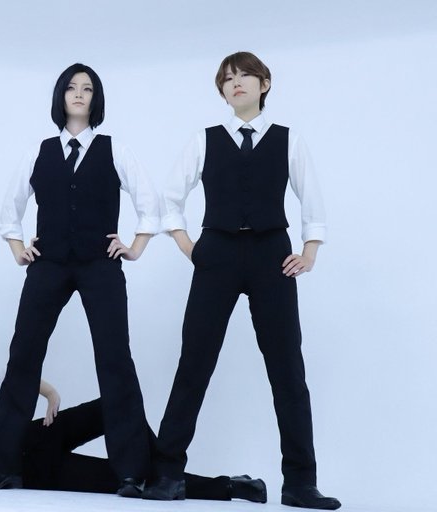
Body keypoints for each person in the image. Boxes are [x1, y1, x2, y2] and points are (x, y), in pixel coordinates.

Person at [142, 52, 340, 510]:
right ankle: (167, 472)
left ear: (264, 83)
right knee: (194, 362)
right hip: (217, 252)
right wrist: (188, 246)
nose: (236, 83)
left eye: (245, 75)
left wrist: (309, 251)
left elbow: (312, 200)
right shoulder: (204, 139)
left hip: (273, 255)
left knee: (287, 368)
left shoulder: (288, 140)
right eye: (227, 79)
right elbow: (170, 198)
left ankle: (300, 483)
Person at [0, 63, 158, 496]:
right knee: (23, 357)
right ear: (60, 96)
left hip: (99, 264)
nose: (78, 94)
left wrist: (135, 246)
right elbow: (10, 210)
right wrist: (18, 248)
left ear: (96, 99)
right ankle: (1, 467)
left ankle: (132, 472)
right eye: (71, 88)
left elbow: (150, 204)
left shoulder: (115, 150)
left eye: (87, 89)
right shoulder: (38, 152)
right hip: (49, 263)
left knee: (115, 360)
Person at [0, 373, 267, 503]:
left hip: (43, 432)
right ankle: (233, 486)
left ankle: (162, 469)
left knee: (116, 403)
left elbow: (13, 373)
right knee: (130, 478)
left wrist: (50, 393)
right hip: (46, 472)